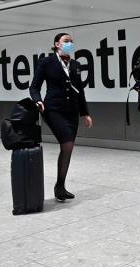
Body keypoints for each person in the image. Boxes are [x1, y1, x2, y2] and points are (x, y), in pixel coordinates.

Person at [30, 32, 93, 201]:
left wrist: (85, 113)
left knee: (68, 147)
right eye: (66, 41)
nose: (70, 43)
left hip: (71, 111)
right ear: (57, 44)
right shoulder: (46, 62)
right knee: (67, 143)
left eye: (71, 41)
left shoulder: (76, 65)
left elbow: (80, 90)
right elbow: (34, 87)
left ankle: (60, 186)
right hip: (53, 110)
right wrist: (38, 101)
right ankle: (59, 186)